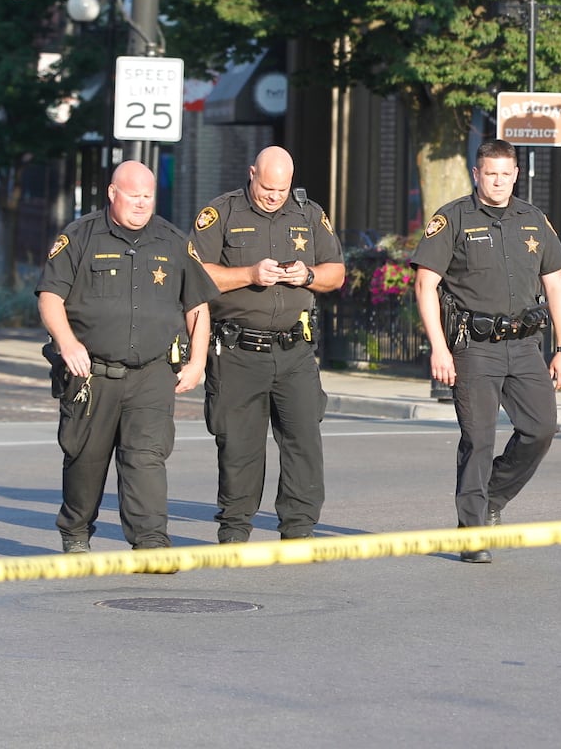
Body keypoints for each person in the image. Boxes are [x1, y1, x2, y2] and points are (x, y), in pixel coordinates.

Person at [36, 160, 215, 558]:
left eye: (148, 196)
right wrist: (67, 343)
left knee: (146, 458)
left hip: (152, 373)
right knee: (86, 459)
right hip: (92, 374)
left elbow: (198, 306)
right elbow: (50, 296)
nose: (141, 204)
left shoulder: (172, 241)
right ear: (113, 194)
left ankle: (151, 543)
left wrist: (198, 361)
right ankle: (76, 530)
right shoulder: (80, 237)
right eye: (133, 195)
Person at [411, 139, 561, 564]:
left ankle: (491, 498)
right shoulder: (453, 219)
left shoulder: (533, 219)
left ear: (515, 174)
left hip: (525, 346)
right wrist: (439, 349)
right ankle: (472, 532)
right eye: (490, 173)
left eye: (505, 174)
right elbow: (425, 284)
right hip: (474, 349)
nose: (498, 181)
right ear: (476, 174)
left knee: (542, 428)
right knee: (479, 440)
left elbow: (555, 285)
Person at [189, 146, 344, 542]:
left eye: (283, 188)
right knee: (240, 445)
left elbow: (336, 273)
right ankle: (236, 528)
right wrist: (249, 273)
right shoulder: (221, 213)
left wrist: (307, 275)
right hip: (238, 351)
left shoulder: (308, 213)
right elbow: (194, 276)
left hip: (294, 350)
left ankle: (299, 529)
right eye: (268, 187)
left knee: (303, 440)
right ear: (252, 173)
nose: (275, 196)